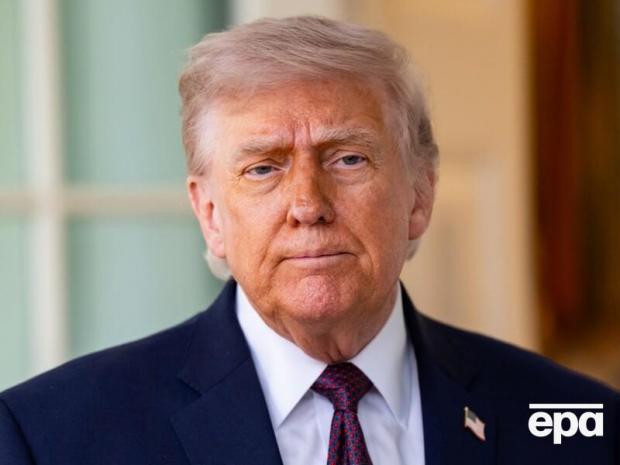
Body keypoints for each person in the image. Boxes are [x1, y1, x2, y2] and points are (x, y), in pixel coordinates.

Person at [1, 15, 618, 465]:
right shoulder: (50, 437)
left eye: (348, 159)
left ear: (419, 195)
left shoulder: (583, 424)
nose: (307, 206)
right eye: (263, 168)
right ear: (210, 213)